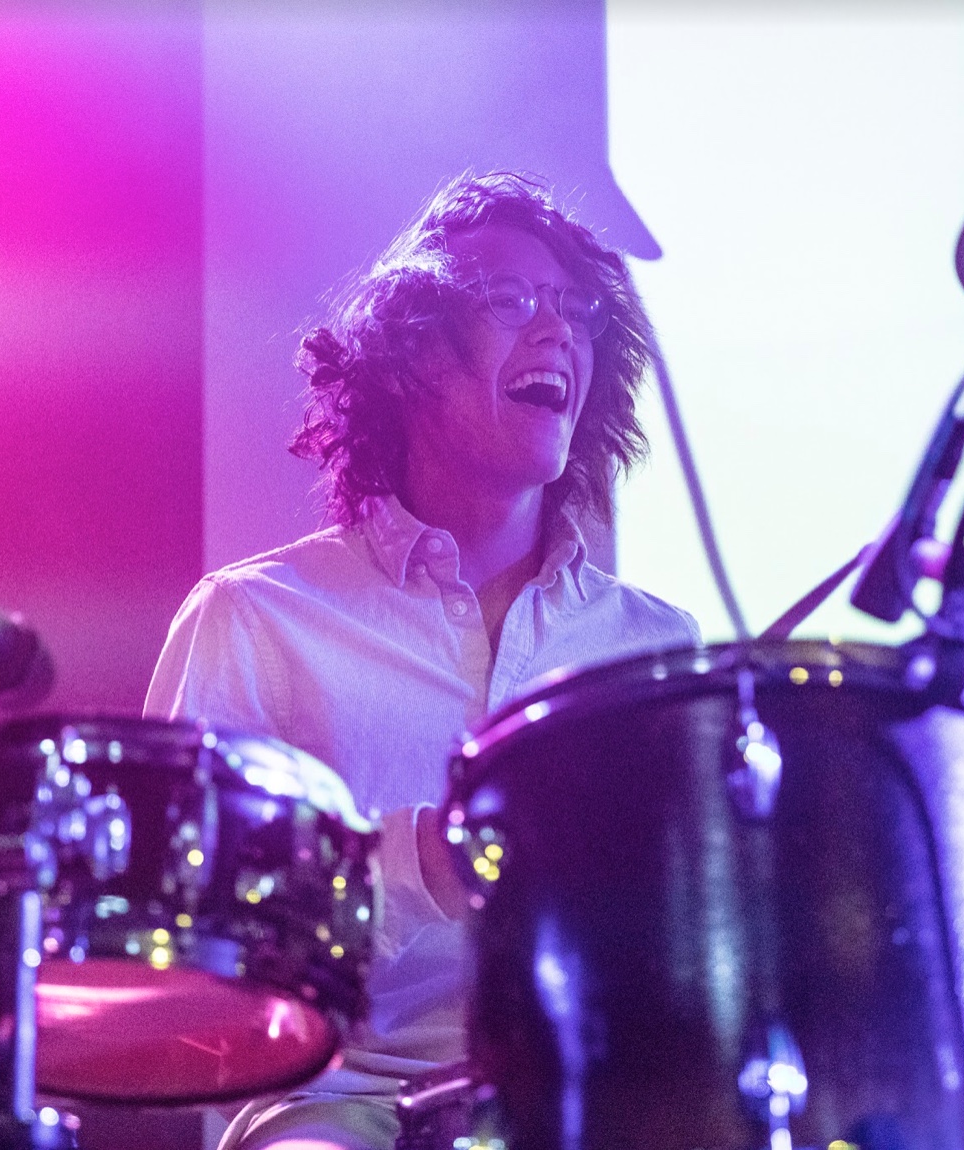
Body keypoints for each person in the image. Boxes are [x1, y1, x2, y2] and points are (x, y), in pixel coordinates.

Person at [144, 171, 700, 1150]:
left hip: (600, 1107)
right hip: (343, 1107)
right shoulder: (258, 619)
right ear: (409, 353)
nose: (558, 331)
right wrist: (421, 862)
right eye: (510, 298)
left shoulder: (655, 649)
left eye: (576, 311)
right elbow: (186, 941)